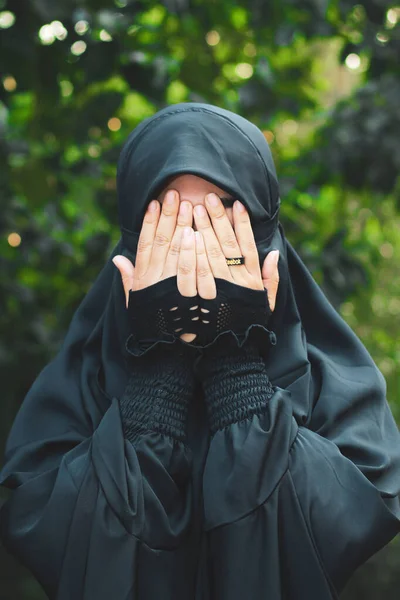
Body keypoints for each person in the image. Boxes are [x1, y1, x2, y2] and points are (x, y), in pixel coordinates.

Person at [0, 102, 399, 600]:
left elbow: (343, 529)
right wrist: (158, 375)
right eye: (167, 222)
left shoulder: (336, 388)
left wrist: (237, 366)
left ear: (262, 235)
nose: (195, 253)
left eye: (219, 222)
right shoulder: (81, 386)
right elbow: (56, 539)